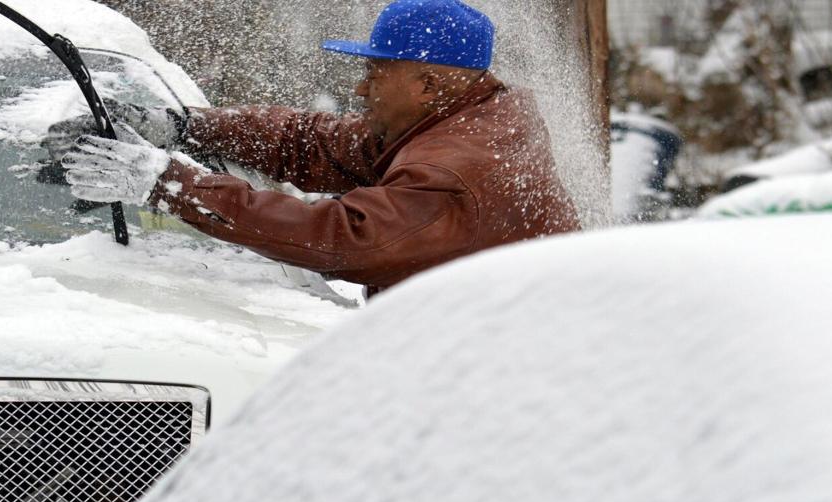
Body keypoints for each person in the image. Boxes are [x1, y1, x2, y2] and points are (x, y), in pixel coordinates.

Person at [48, 0, 580, 295]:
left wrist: (165, 182)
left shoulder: (454, 168)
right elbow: (311, 141)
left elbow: (338, 238)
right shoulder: (459, 119)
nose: (360, 89)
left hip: (488, 374)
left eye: (375, 72)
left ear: (428, 85)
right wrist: (183, 126)